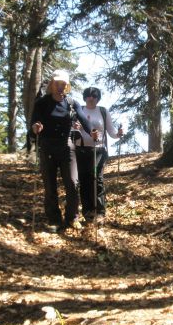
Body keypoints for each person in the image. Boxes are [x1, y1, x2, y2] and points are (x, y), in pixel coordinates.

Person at [30, 70, 96, 232]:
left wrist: (92, 132)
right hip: (47, 146)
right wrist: (36, 127)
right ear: (52, 84)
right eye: (57, 84)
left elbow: (82, 120)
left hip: (67, 146)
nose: (60, 87)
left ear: (67, 86)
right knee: (49, 184)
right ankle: (54, 219)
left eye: (63, 84)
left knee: (73, 183)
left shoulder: (72, 103)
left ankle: (72, 217)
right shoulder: (42, 103)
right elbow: (34, 123)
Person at [74, 86, 123, 224]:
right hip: (81, 149)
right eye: (89, 95)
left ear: (98, 98)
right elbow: (74, 131)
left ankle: (100, 212)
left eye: (94, 96)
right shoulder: (79, 110)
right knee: (84, 181)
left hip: (99, 150)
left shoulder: (103, 111)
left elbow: (111, 131)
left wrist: (118, 134)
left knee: (97, 179)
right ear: (85, 97)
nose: (91, 98)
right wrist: (74, 128)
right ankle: (88, 211)